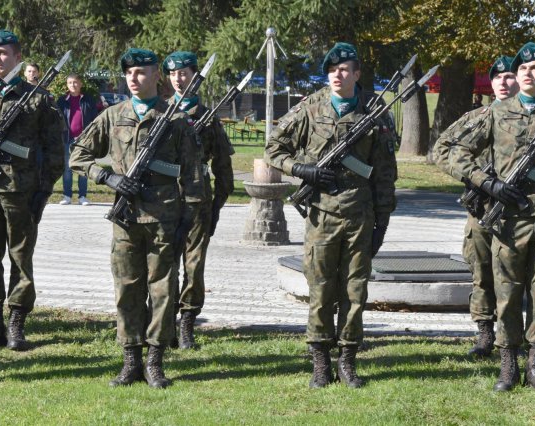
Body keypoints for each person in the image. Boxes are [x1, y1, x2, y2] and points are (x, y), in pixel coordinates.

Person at [447, 42, 535, 393]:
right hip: (508, 222)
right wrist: (487, 183)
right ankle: (508, 365)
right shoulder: (496, 113)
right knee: (507, 295)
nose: (528, 73)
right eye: (522, 69)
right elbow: (450, 150)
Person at [265, 42, 397, 389]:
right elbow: (273, 149)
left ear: (356, 74)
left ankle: (348, 360)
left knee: (355, 291)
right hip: (322, 214)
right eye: (333, 70)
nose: (338, 75)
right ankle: (320, 363)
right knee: (321, 289)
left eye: (346, 69)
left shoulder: (375, 110)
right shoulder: (310, 107)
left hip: (360, 214)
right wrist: (302, 170)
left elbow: (384, 170)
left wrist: (382, 219)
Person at [69, 48, 202, 388]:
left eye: (141, 72)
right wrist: (108, 178)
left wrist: (188, 219)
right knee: (127, 290)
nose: (133, 77)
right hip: (126, 218)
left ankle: (155, 361)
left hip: (164, 218)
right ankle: (131, 359)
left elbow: (193, 176)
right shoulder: (113, 116)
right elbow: (78, 156)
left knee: (163, 291)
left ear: (157, 75)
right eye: (128, 72)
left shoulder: (175, 120)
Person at [433, 55, 519, 358]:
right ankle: (485, 334)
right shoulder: (477, 117)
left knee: (514, 276)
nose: (504, 83)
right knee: (482, 273)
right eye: (498, 77)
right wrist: (474, 178)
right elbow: (441, 150)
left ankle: (512, 338)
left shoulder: (532, 121)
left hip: (519, 213)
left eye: (510, 77)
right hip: (482, 208)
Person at [0, 30, 64, 351]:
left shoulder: (38, 99)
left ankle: (17, 321)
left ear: (18, 58)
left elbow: (56, 152)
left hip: (21, 191)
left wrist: (43, 191)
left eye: (3, 52)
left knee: (21, 257)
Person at [162, 51, 234, 349]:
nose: (179, 79)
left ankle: (188, 324)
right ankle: (164, 325)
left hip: (198, 200)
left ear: (195, 76)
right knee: (164, 264)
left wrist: (217, 203)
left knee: (194, 264)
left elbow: (223, 166)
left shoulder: (208, 116)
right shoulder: (160, 112)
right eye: (174, 74)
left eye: (185, 73)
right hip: (164, 200)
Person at [57, 73, 98, 205]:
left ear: (80, 84)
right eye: (70, 83)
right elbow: (57, 119)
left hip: (84, 140)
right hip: (67, 139)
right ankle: (67, 196)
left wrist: (89, 136)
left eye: (75, 82)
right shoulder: (62, 100)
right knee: (67, 169)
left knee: (82, 168)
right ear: (67, 85)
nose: (73, 85)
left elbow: (94, 120)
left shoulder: (88, 100)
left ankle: (82, 197)